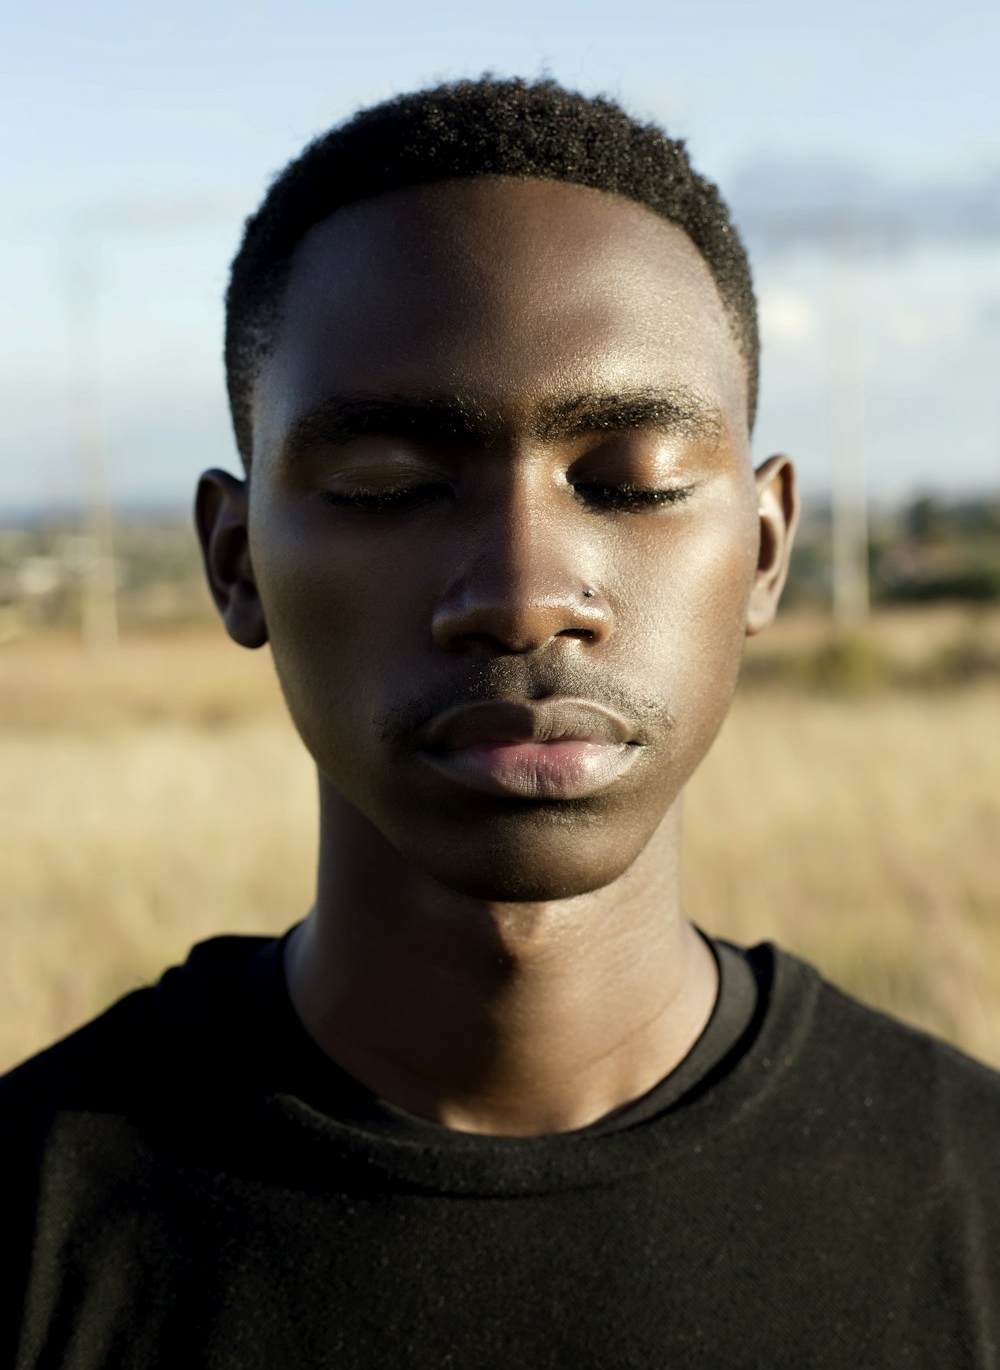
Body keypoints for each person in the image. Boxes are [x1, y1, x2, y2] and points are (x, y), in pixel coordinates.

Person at [3, 77, 998, 1369]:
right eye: (389, 485)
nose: (527, 594)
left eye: (630, 485)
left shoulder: (969, 1204)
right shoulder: (33, 1226)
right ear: (237, 564)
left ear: (763, 554)